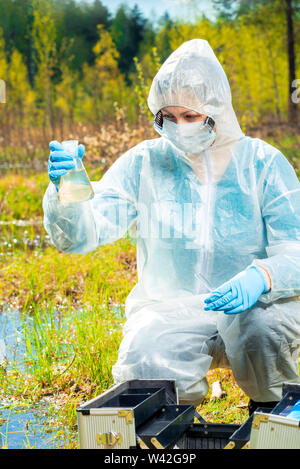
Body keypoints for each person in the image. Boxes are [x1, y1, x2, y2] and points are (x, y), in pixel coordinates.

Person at [44, 39, 300, 415]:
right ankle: (173, 433)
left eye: (191, 116)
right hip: (171, 308)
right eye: (169, 116)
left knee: (264, 331)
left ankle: (270, 411)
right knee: (145, 358)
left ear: (216, 111)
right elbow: (82, 235)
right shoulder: (144, 163)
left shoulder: (262, 163)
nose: (179, 128)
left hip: (254, 304)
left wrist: (263, 275)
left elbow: (296, 247)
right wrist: (64, 193)